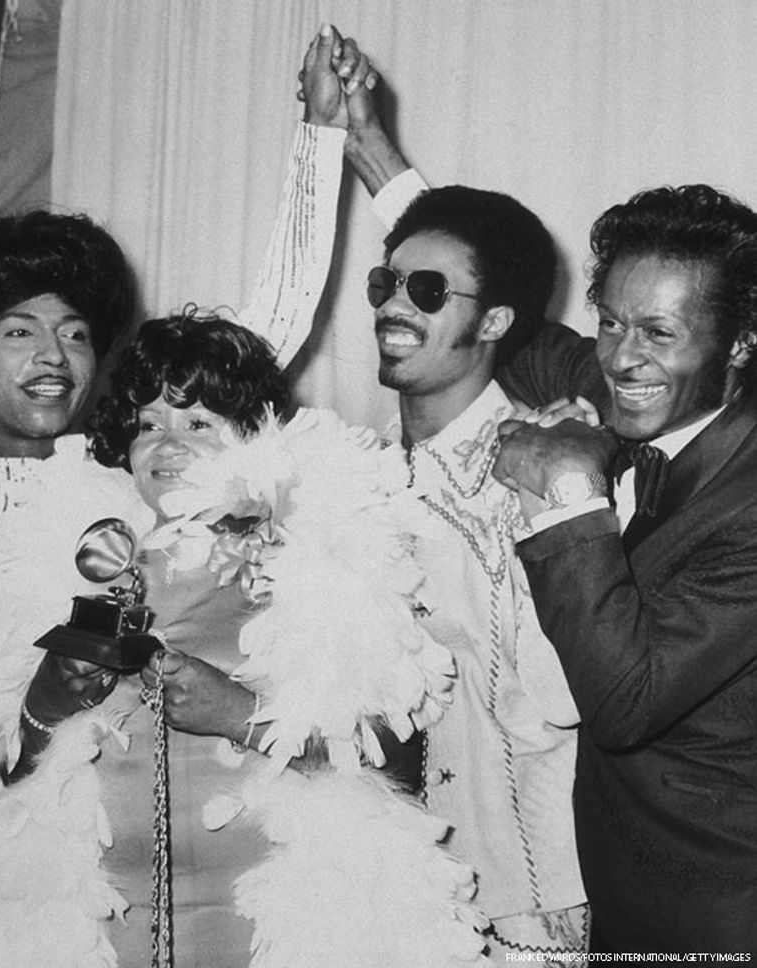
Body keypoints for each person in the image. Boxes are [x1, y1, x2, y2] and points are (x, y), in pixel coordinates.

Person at [0, 86, 354, 966]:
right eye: (19, 331)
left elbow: (260, 340)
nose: (51, 358)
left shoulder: (136, 495)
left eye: (75, 334)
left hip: (82, 900)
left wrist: (321, 140)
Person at [0, 310, 487, 968]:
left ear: (255, 440)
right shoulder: (80, 555)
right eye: (148, 425)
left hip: (279, 927)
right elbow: (18, 778)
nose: (166, 444)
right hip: (102, 925)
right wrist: (49, 699)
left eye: (197, 424)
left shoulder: (314, 557)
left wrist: (239, 715)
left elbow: (395, 764)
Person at [299, 29, 592, 959]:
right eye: (387, 281)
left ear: (497, 322)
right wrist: (360, 142)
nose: (395, 303)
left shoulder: (541, 472)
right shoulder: (366, 479)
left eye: (427, 290)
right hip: (407, 897)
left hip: (532, 901)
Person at [492, 185, 757, 953]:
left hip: (719, 920)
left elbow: (626, 702)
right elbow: (522, 335)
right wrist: (370, 150)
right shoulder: (649, 383)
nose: (618, 357)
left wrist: (568, 492)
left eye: (656, 332)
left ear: (741, 341)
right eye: (607, 321)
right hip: (626, 902)